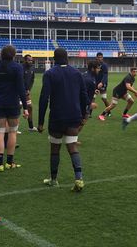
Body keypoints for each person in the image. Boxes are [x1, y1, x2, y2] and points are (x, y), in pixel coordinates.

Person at [38, 48, 88, 191]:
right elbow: (84, 95)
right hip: (74, 116)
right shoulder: (77, 73)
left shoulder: (49, 74)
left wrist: (40, 122)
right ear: (67, 58)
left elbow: (44, 98)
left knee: (55, 148)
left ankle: (54, 179)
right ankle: (79, 178)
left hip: (57, 117)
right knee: (72, 146)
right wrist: (85, 115)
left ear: (54, 59)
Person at [0, 45, 28, 172]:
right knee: (12, 132)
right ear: (14, 55)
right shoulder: (17, 67)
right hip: (13, 103)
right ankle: (9, 162)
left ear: (0, 54)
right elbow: (21, 88)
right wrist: (25, 107)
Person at [23, 54, 38, 132]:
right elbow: (19, 81)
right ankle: (13, 127)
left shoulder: (32, 68)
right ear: (25, 60)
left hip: (27, 92)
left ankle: (31, 127)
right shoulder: (21, 68)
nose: (30, 61)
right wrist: (23, 90)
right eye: (29, 60)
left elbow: (32, 80)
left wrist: (28, 89)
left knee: (30, 107)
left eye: (31, 60)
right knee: (18, 108)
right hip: (19, 92)